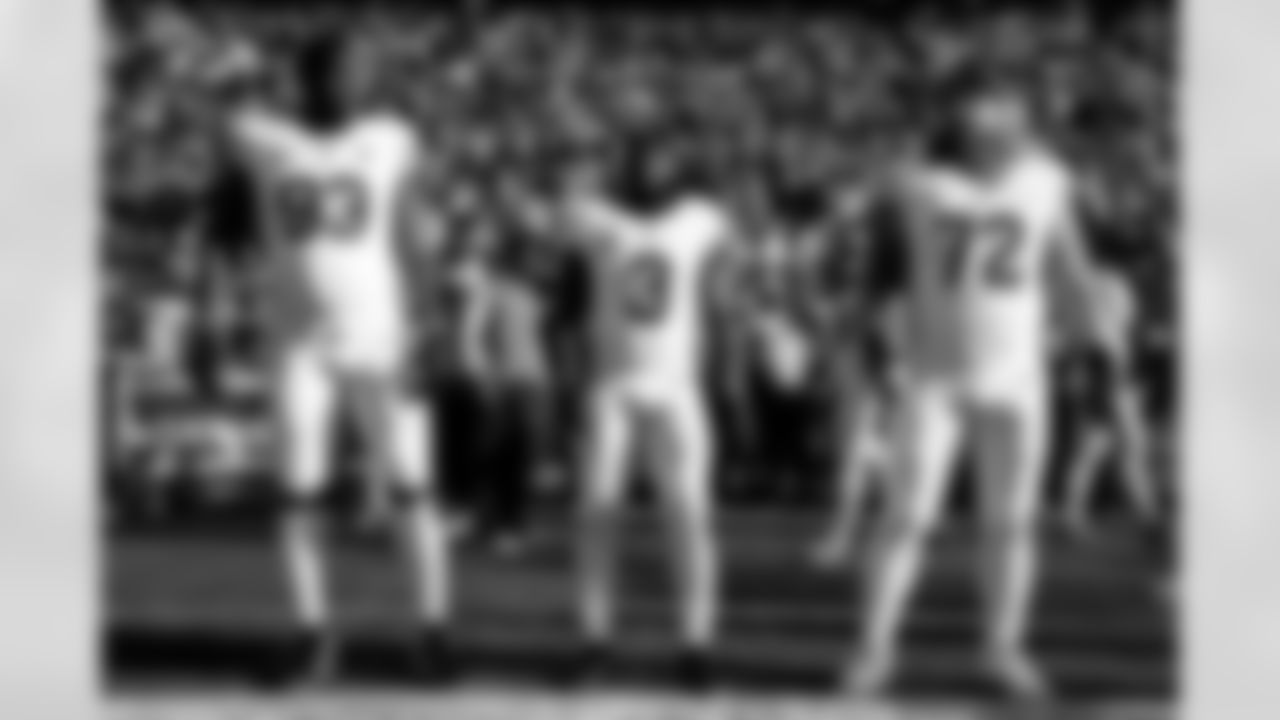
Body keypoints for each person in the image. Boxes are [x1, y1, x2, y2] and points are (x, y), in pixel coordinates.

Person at [180, 28, 455, 686]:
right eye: (333, 72)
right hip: (297, 342)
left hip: (381, 339)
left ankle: (433, 631)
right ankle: (311, 633)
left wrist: (434, 322)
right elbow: (220, 231)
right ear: (304, 79)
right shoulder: (260, 138)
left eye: (356, 71)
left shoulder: (390, 138)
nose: (346, 84)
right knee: (299, 493)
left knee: (413, 485)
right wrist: (207, 314)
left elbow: (410, 236)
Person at [837, 71, 1105, 699]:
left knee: (1010, 522)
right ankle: (874, 648)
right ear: (957, 114)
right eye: (982, 105)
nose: (995, 119)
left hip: (1018, 377)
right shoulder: (914, 184)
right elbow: (878, 275)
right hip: (934, 377)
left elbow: (1071, 266)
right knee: (905, 518)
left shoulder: (1046, 179)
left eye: (1006, 105)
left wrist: (1093, 336)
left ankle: (1003, 648)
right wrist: (873, 340)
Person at [545, 135, 745, 689]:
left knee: (690, 517)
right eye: (640, 157)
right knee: (596, 516)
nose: (650, 166)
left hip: (678, 387)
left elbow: (720, 301)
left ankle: (696, 643)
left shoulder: (699, 221)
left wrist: (728, 376)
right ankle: (593, 639)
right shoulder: (592, 220)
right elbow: (564, 310)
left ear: (679, 166)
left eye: (662, 156)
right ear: (623, 165)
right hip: (610, 385)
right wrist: (567, 385)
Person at [1058, 263, 1159, 536]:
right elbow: (1118, 334)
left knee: (1100, 454)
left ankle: (1144, 514)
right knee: (1113, 452)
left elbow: (1080, 339)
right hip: (1109, 378)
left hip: (1107, 377)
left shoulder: (1087, 288)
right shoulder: (1114, 286)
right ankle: (1145, 516)